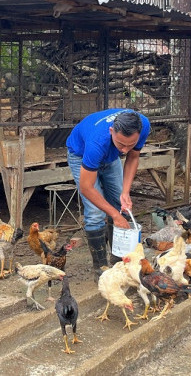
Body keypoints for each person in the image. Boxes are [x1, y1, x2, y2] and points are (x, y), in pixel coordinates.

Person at [66, 109, 151, 277]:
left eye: (130, 144)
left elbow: (133, 157)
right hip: (80, 155)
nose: (125, 150)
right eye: (121, 144)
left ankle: (119, 259)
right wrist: (113, 214)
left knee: (121, 207)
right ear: (112, 131)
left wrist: (125, 192)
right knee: (95, 213)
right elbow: (86, 187)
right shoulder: (96, 143)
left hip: (110, 157)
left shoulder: (143, 125)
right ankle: (101, 268)